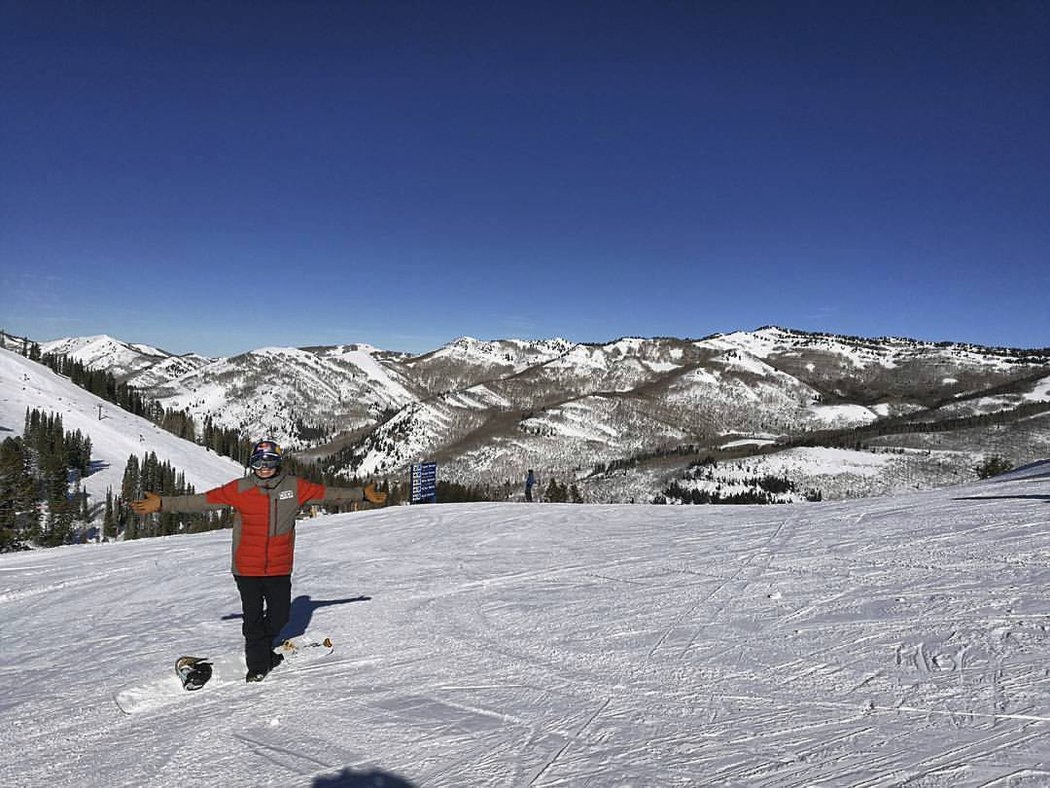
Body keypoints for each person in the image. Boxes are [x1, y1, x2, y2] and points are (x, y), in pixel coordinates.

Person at [130, 439, 387, 682]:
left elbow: (331, 494)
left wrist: (361, 494)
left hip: (278, 567)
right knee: (253, 618)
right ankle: (258, 667)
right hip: (246, 568)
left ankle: (262, 650)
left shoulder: (294, 487)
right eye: (259, 463)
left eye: (270, 463)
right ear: (252, 463)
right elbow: (201, 502)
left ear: (278, 464)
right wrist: (163, 503)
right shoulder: (240, 489)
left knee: (281, 616)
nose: (264, 469)